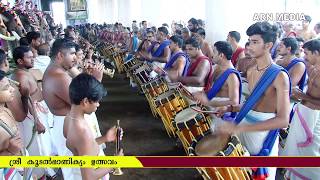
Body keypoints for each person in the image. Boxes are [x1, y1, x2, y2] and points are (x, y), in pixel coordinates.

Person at [215, 22, 291, 180]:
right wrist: (231, 108)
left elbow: (283, 120)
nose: (249, 46)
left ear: (268, 45)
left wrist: (246, 128)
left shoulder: (279, 76)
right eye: (249, 41)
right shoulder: (250, 70)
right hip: (244, 126)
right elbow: (253, 104)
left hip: (261, 135)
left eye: (255, 42)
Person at [42, 39, 104, 178]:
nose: (75, 57)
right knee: (78, 171)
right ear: (59, 56)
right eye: (72, 54)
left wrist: (87, 78)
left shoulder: (58, 70)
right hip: (70, 125)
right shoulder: (59, 76)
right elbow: (84, 102)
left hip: (69, 123)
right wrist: (97, 79)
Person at [64, 73, 122, 180]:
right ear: (85, 102)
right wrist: (115, 162)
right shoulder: (82, 131)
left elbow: (82, 147)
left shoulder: (68, 118)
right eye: (96, 101)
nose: (98, 105)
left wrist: (105, 138)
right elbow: (89, 177)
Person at [12, 46, 56, 178]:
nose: (33, 59)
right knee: (39, 145)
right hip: (33, 115)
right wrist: (37, 121)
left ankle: (47, 170)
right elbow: (27, 99)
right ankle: (43, 173)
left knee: (44, 144)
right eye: (29, 57)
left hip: (38, 112)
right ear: (20, 61)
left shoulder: (27, 72)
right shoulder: (21, 76)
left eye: (33, 56)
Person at [282, 39, 320, 179]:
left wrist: (303, 95)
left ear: (316, 53)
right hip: (304, 112)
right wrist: (300, 96)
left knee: (310, 152)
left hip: (314, 118)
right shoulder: (313, 69)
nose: (304, 56)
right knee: (296, 150)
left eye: (307, 53)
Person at [193, 41, 241, 119]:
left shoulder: (232, 76)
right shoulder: (217, 68)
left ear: (221, 55)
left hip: (219, 115)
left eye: (214, 52)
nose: (212, 55)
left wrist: (208, 102)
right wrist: (202, 94)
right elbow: (214, 89)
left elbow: (234, 102)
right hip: (209, 110)